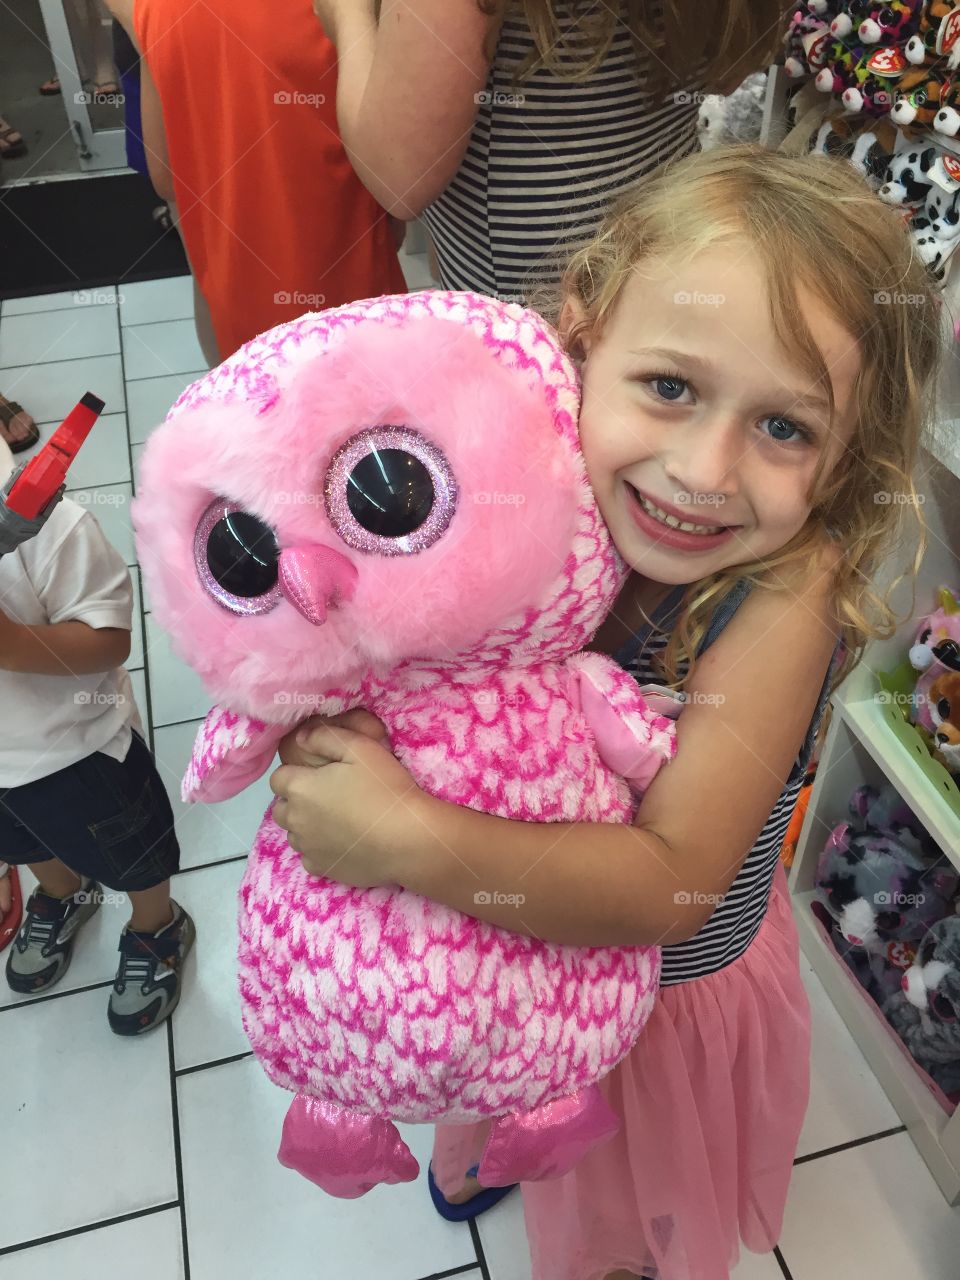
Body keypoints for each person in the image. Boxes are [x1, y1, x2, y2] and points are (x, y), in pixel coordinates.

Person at [267, 145, 941, 1280]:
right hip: (500, 947)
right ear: (578, 335)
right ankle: (474, 1139)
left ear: (849, 455)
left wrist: (399, 835)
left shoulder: (782, 594)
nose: (705, 469)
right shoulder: (527, 484)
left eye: (787, 427)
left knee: (609, 1213)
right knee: (484, 1061)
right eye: (670, 387)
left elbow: (671, 882)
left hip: (646, 1012)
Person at [313, 0, 788, 300]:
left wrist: (345, 12)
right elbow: (732, 68)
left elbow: (399, 176)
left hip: (538, 310)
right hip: (668, 241)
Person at [0, 437, 194, 1035]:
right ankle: (63, 893)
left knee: (132, 854)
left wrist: (9, 643)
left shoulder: (44, 524)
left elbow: (108, 641)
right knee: (25, 846)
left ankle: (156, 923)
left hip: (75, 753)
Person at [104, 0, 407, 364]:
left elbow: (166, 177)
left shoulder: (155, 9)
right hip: (348, 300)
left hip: (238, 303)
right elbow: (394, 175)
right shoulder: (343, 10)